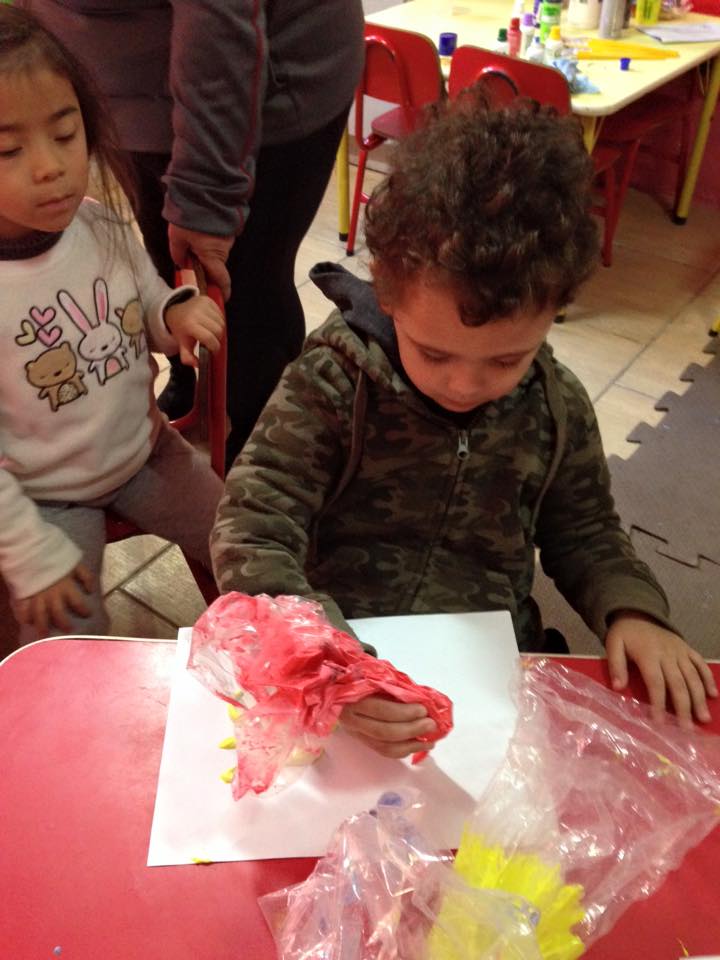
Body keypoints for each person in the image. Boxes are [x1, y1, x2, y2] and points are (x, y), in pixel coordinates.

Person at [210, 89, 717, 753]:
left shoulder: (556, 406)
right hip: (341, 648)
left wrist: (631, 608)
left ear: (554, 313)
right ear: (388, 293)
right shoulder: (330, 383)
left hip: (490, 668)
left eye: (507, 360)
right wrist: (328, 662)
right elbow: (252, 528)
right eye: (434, 353)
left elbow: (586, 531)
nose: (464, 385)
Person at [20, 0, 365, 469]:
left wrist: (207, 195)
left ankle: (262, 462)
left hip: (258, 85)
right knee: (168, 266)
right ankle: (190, 389)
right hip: (130, 93)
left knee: (246, 297)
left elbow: (219, 26)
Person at [0, 7, 225, 644]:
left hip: (146, 452)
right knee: (63, 643)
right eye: (8, 150)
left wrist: (173, 313)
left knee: (246, 540)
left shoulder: (99, 222)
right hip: (42, 498)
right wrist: (29, 552)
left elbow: (145, 302)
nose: (50, 167)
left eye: (65, 134)